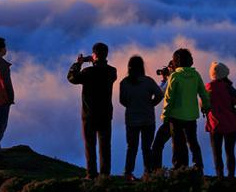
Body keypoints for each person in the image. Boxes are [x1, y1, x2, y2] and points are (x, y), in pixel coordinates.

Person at [67, 42, 117, 179]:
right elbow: (105, 70)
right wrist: (95, 61)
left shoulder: (88, 72)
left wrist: (79, 63)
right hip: (105, 114)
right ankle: (105, 174)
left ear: (94, 55)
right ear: (106, 54)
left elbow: (71, 78)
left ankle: (91, 174)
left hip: (89, 115)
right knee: (105, 146)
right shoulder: (112, 71)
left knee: (90, 145)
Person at [161, 48, 210, 173]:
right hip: (191, 116)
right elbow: (203, 94)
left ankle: (179, 168)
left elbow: (169, 98)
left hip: (175, 116)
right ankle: (198, 166)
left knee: (178, 144)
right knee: (192, 142)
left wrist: (164, 115)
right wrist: (206, 107)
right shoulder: (196, 75)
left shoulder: (175, 76)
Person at [120, 55, 164, 180]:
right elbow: (160, 95)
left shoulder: (124, 83)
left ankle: (128, 173)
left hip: (132, 119)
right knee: (146, 148)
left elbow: (122, 100)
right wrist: (151, 104)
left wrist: (131, 105)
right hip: (148, 119)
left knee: (131, 147)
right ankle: (148, 173)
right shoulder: (148, 81)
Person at [205, 62, 236, 179]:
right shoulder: (228, 88)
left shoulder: (207, 88)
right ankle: (230, 177)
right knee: (230, 152)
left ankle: (219, 177)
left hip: (214, 125)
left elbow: (204, 106)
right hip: (230, 125)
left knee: (217, 153)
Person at [151, 60, 182, 170]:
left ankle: (156, 171)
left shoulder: (173, 79)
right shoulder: (182, 77)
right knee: (180, 145)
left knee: (157, 145)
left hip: (172, 117)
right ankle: (181, 170)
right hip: (184, 117)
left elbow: (161, 92)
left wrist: (165, 79)